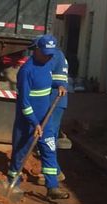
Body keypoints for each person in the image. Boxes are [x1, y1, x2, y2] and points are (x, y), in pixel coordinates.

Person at [9, 34, 69, 200]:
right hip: (28, 122)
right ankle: (13, 183)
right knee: (20, 153)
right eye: (45, 53)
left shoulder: (48, 64)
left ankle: (52, 187)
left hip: (45, 119)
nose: (49, 56)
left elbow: (47, 82)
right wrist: (34, 123)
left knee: (49, 150)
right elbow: (24, 103)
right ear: (36, 50)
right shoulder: (26, 71)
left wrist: (59, 85)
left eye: (51, 53)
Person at [34, 34, 69, 186]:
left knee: (48, 138)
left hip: (53, 101)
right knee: (47, 138)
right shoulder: (55, 54)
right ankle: (54, 171)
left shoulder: (53, 56)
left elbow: (47, 76)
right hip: (51, 101)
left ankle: (54, 173)